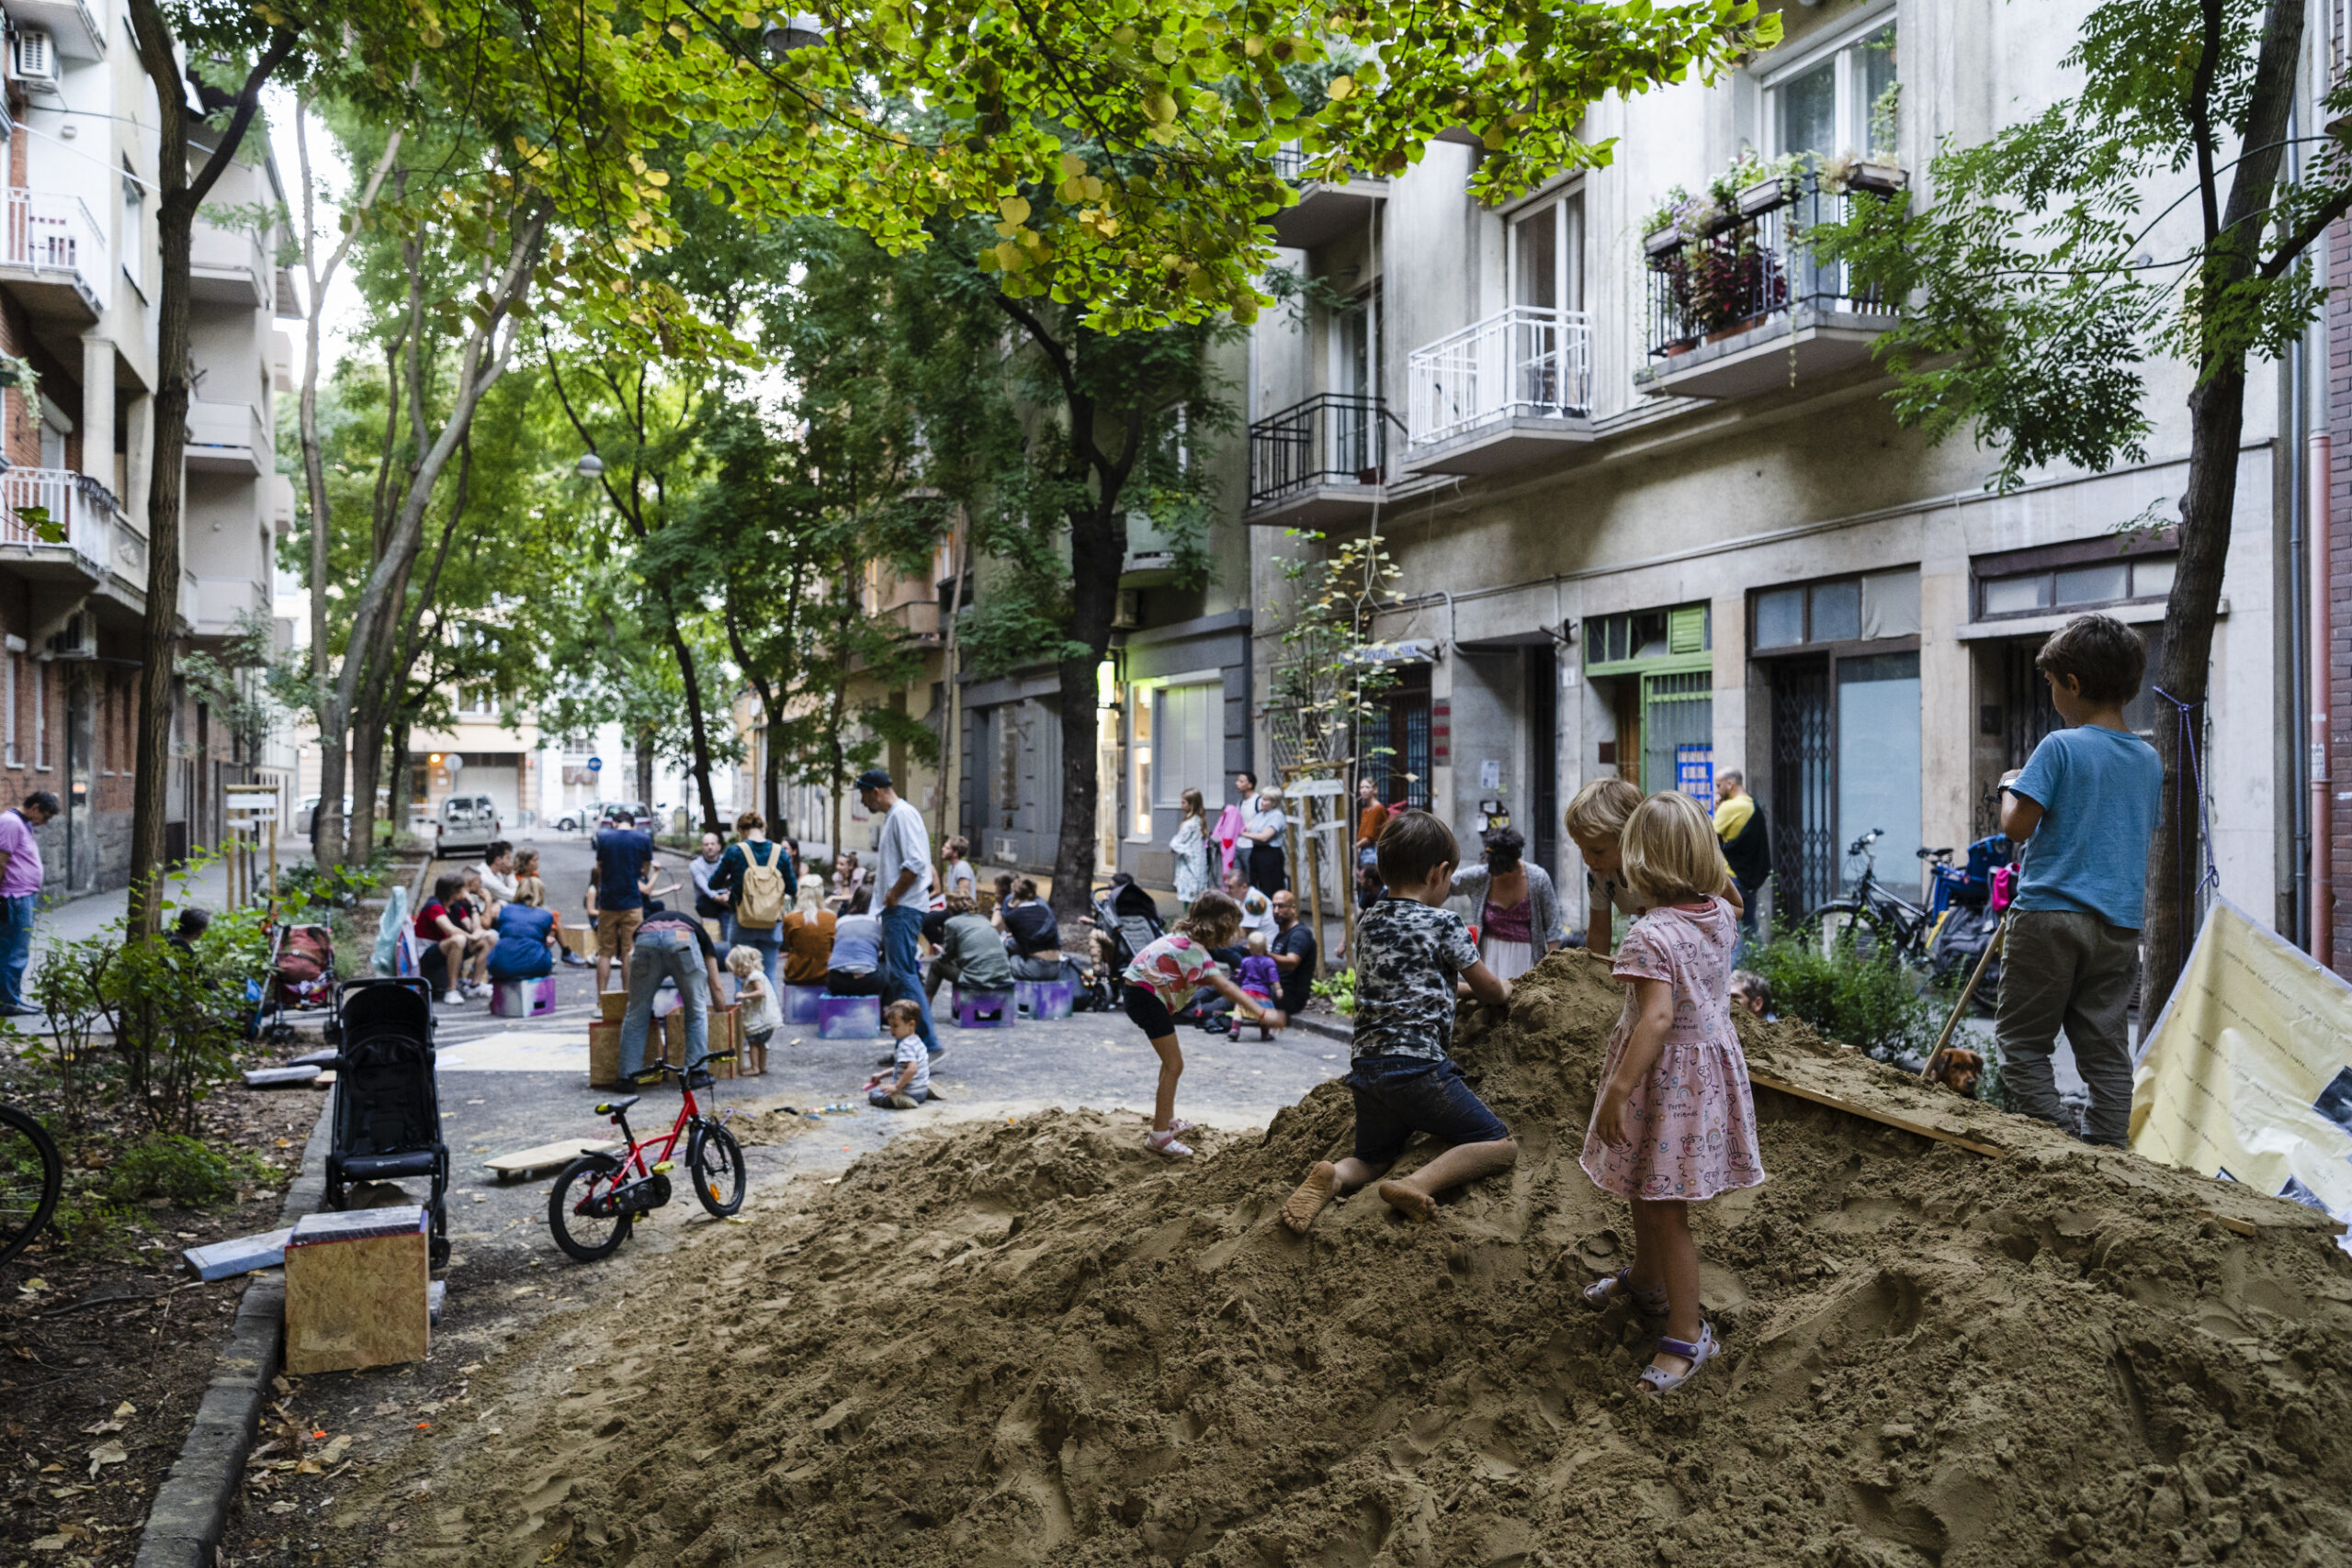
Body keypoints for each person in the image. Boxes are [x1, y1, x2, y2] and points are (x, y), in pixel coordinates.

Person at [1577, 789, 1764, 1394]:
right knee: (1642, 1180)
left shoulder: (1652, 934)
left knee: (1664, 1204)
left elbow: (1656, 1019)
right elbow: (1730, 892)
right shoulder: (1720, 911)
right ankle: (1645, 1277)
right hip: (1704, 1075)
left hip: (1664, 1079)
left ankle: (1687, 1332)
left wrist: (1615, 1089)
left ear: (1639, 861)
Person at [1278, 810, 1516, 1236]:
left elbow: (1409, 984)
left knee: (1373, 1158)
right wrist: (1509, 991)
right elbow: (1490, 991)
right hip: (1419, 1069)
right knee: (1500, 1143)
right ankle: (1417, 1182)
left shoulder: (1369, 921)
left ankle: (1334, 1177)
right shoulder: (1445, 922)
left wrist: (1454, 992)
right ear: (1438, 873)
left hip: (1367, 1069)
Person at [1994, 614, 2162, 1150]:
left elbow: (2016, 827)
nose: (2052, 698)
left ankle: (2059, 1146)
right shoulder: (2148, 758)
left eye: (2051, 685)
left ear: (2073, 684)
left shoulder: (2059, 747)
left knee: (2022, 1044)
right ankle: (2108, 1157)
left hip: (2048, 915)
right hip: (2118, 925)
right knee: (2106, 1051)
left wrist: (2010, 785)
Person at [1121, 892, 1286, 1158]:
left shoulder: (1182, 941)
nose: (1234, 935)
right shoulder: (1195, 953)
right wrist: (1263, 1014)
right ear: (1220, 927)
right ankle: (1160, 1136)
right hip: (1145, 998)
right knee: (1175, 1065)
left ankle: (1167, 1120)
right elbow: (1226, 986)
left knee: (1170, 1063)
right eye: (1232, 929)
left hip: (1139, 994)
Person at [1567, 777, 1739, 959]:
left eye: (1597, 851)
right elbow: (1599, 933)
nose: (1587, 859)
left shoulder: (1668, 862)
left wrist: (1689, 919)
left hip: (1696, 952)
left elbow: (1736, 907)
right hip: (1653, 944)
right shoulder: (1599, 876)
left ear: (1629, 836)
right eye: (1581, 848)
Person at [858, 768, 944, 1060]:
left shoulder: (902, 815)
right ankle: (908, 1046)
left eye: (862, 794)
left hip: (903, 908)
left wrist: (893, 894)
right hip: (900, 908)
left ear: (875, 792)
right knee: (900, 977)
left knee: (904, 976)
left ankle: (928, 1044)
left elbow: (916, 863)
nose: (862, 802)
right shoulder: (898, 816)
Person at [617, 899, 729, 1084]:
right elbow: (716, 985)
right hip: (682, 942)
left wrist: (633, 996)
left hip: (646, 941)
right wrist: (723, 1016)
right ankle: (697, 1073)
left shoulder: (648, 925)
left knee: (636, 1014)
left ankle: (627, 1078)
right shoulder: (703, 937)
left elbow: (628, 959)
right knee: (696, 1010)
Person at [1450, 826, 1565, 981]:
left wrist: (1549, 970)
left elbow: (1553, 928)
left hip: (1526, 962)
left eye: (1505, 871)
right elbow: (1443, 884)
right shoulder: (1481, 876)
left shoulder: (1538, 879)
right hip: (1489, 959)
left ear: (1514, 862)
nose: (1500, 876)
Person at [712, 811, 789, 989]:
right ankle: (771, 1017)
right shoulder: (780, 852)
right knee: (769, 975)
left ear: (740, 829)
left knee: (742, 975)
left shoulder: (734, 852)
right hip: (771, 923)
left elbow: (713, 882)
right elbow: (792, 888)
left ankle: (744, 1016)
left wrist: (731, 881)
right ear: (763, 828)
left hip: (742, 921)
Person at [0, 791, 56, 1016]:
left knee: (12, 950)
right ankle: (8, 1002)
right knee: (14, 952)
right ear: (34, 808)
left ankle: (9, 999)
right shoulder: (11, 822)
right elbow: (1, 861)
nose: (44, 822)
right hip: (15, 897)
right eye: (45, 817)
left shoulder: (22, 823)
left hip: (21, 895)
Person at [592, 808, 655, 994]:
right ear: (633, 825)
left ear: (614, 823)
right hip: (632, 902)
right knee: (629, 951)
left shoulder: (604, 838)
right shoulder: (642, 839)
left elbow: (600, 867)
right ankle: (628, 997)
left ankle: (601, 1000)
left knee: (604, 951)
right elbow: (645, 868)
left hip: (608, 902)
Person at [1713, 772, 1772, 941]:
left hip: (1732, 876)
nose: (1717, 790)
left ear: (1730, 784)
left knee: (1732, 930)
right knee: (1749, 926)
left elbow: (1708, 835)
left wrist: (1719, 811)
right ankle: (1756, 962)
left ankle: (1733, 966)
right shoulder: (1752, 804)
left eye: (1719, 785)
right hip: (1749, 877)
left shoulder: (1730, 807)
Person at [922, 893, 1015, 1000]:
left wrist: (940, 951)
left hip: (978, 980)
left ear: (950, 910)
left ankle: (925, 1009)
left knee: (936, 965)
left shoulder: (952, 923)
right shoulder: (984, 920)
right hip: (1003, 977)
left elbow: (946, 957)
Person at [414, 873, 489, 1005]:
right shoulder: (433, 905)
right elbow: (450, 930)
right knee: (458, 939)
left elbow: (473, 927)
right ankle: (452, 990)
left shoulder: (456, 906)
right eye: (462, 889)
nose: (466, 891)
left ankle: (474, 985)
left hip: (445, 949)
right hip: (426, 954)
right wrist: (472, 937)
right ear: (452, 891)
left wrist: (473, 905)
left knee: (488, 938)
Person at [994, 878, 1075, 983]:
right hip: (1055, 968)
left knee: (1008, 949)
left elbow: (1017, 944)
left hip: (1034, 969)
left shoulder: (1013, 916)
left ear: (1014, 896)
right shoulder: (1045, 911)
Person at [865, 999, 940, 1109]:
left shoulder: (905, 1046)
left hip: (910, 1093)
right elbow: (902, 1067)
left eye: (895, 1026)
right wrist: (882, 1074)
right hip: (921, 1092)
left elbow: (912, 1069)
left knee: (875, 1093)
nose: (892, 1030)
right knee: (911, 1084)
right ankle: (926, 1089)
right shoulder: (917, 1041)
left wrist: (896, 1086)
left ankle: (900, 1100)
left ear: (911, 1024)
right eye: (890, 1026)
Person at [824, 890, 886, 996]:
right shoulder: (877, 922)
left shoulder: (841, 921)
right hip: (868, 980)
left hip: (836, 980)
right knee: (888, 966)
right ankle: (885, 1007)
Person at [1269, 889, 1318, 1018]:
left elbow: (1292, 962)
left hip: (1289, 998)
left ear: (1293, 909)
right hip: (1275, 991)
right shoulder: (1280, 936)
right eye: (1273, 906)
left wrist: (1265, 954)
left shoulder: (1299, 934)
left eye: (1280, 906)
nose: (1275, 911)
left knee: (1242, 993)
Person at [781, 874, 837, 986]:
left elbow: (788, 943)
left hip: (796, 972)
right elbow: (833, 945)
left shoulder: (791, 918)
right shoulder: (831, 917)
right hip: (825, 973)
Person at [726, 944, 782, 1057]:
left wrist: (744, 995)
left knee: (753, 1043)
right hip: (766, 1020)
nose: (735, 974)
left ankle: (754, 1067)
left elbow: (761, 992)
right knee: (761, 1044)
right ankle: (762, 1067)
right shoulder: (756, 974)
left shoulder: (754, 977)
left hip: (760, 1021)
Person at [486, 897, 560, 982]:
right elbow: (543, 939)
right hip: (534, 964)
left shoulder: (506, 910)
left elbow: (501, 931)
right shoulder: (546, 914)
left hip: (502, 964)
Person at [1241, 782, 1288, 895]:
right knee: (1254, 887)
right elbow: (1246, 827)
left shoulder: (1277, 816)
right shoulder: (1260, 814)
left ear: (1274, 802)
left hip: (1270, 855)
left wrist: (1243, 835)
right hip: (1256, 853)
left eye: (1266, 800)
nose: (1262, 802)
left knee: (1270, 888)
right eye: (1262, 798)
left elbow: (1264, 837)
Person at [1169, 787, 1211, 904]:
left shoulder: (1190, 824)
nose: (1181, 805)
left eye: (1183, 802)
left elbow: (1177, 841)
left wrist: (1174, 847)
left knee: (1189, 895)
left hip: (1190, 865)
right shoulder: (1199, 820)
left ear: (1191, 804)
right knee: (1196, 894)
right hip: (1197, 863)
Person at [689, 830, 729, 931]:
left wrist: (728, 896)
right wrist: (720, 899)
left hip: (726, 897)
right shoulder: (695, 865)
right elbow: (706, 887)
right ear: (702, 848)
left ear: (719, 846)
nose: (709, 847)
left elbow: (733, 882)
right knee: (724, 910)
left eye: (712, 844)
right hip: (708, 900)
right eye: (706, 844)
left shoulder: (727, 861)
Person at [1354, 777, 1386, 868]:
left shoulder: (1378, 809)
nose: (1363, 790)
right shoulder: (1365, 810)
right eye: (1361, 787)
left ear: (1375, 790)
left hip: (1373, 851)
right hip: (1363, 850)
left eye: (1367, 787)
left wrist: (1355, 846)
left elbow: (1370, 837)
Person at [475, 840, 518, 908]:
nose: (511, 862)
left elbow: (503, 895)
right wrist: (510, 874)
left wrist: (500, 903)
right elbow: (516, 896)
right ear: (498, 860)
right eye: (508, 858)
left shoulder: (494, 872)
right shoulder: (486, 879)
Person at [940, 835, 978, 902]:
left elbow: (964, 897)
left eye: (947, 848)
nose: (943, 849)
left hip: (963, 911)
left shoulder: (962, 868)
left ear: (955, 853)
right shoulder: (951, 866)